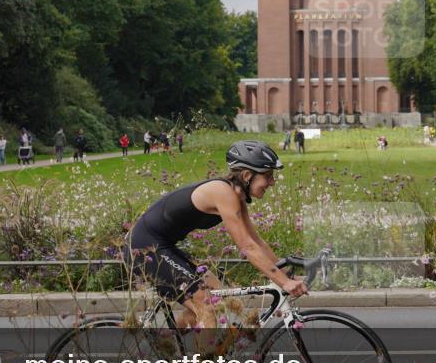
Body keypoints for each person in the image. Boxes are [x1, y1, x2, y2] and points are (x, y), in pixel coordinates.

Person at [125, 140, 307, 332]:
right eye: (268, 176)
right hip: (143, 248)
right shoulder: (223, 193)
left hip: (163, 245)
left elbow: (257, 241)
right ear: (246, 175)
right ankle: (204, 362)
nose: (272, 182)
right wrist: (284, 282)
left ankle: (169, 347)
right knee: (208, 304)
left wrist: (284, 273)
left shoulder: (237, 197)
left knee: (219, 297)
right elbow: (247, 247)